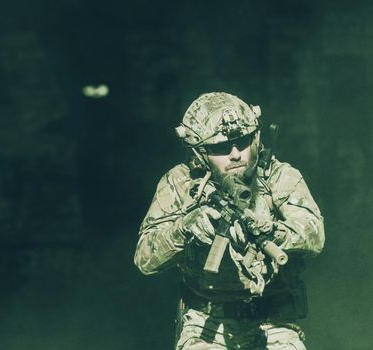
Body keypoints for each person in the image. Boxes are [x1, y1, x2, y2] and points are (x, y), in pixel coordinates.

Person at [134, 92, 325, 350]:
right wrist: (184, 228)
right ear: (199, 153)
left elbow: (314, 235)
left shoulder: (278, 176)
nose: (235, 154)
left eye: (242, 142)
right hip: (207, 325)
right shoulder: (179, 184)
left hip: (275, 323)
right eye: (221, 148)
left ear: (255, 139)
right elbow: (145, 259)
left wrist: (274, 231)